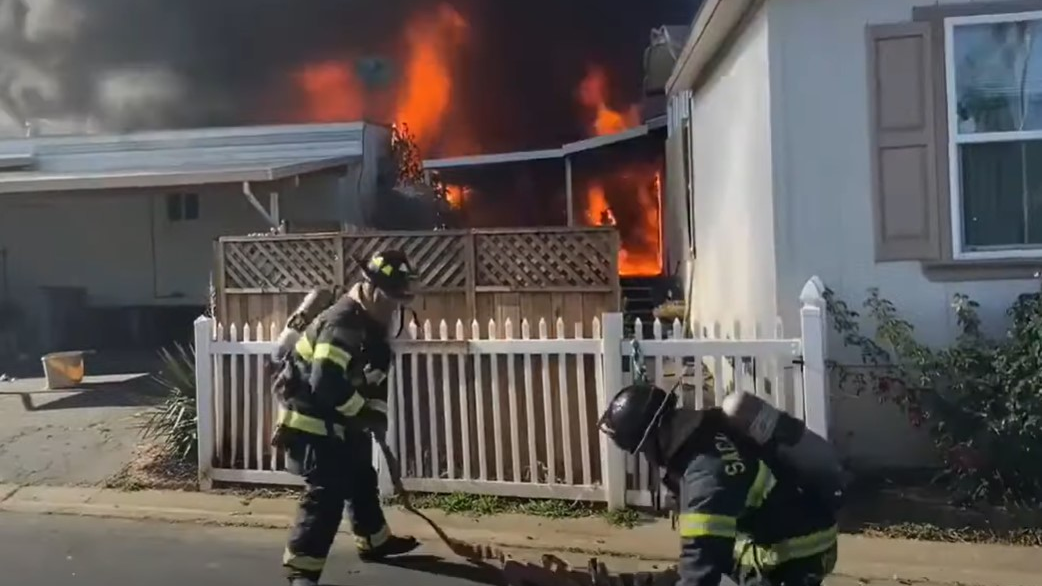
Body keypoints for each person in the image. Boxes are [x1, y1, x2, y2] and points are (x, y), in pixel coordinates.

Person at [274, 250, 421, 586]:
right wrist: (362, 412)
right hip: (312, 423)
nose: (392, 308)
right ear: (368, 288)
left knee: (360, 475)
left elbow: (375, 381)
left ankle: (374, 539)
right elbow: (326, 382)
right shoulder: (342, 322)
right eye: (388, 298)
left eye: (398, 301)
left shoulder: (374, 329)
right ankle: (302, 572)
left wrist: (375, 417)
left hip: (340, 418)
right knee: (326, 495)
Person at [597, 383, 838, 586]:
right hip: (799, 525)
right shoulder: (709, 427)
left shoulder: (705, 480)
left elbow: (700, 572)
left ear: (649, 443)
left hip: (793, 553)